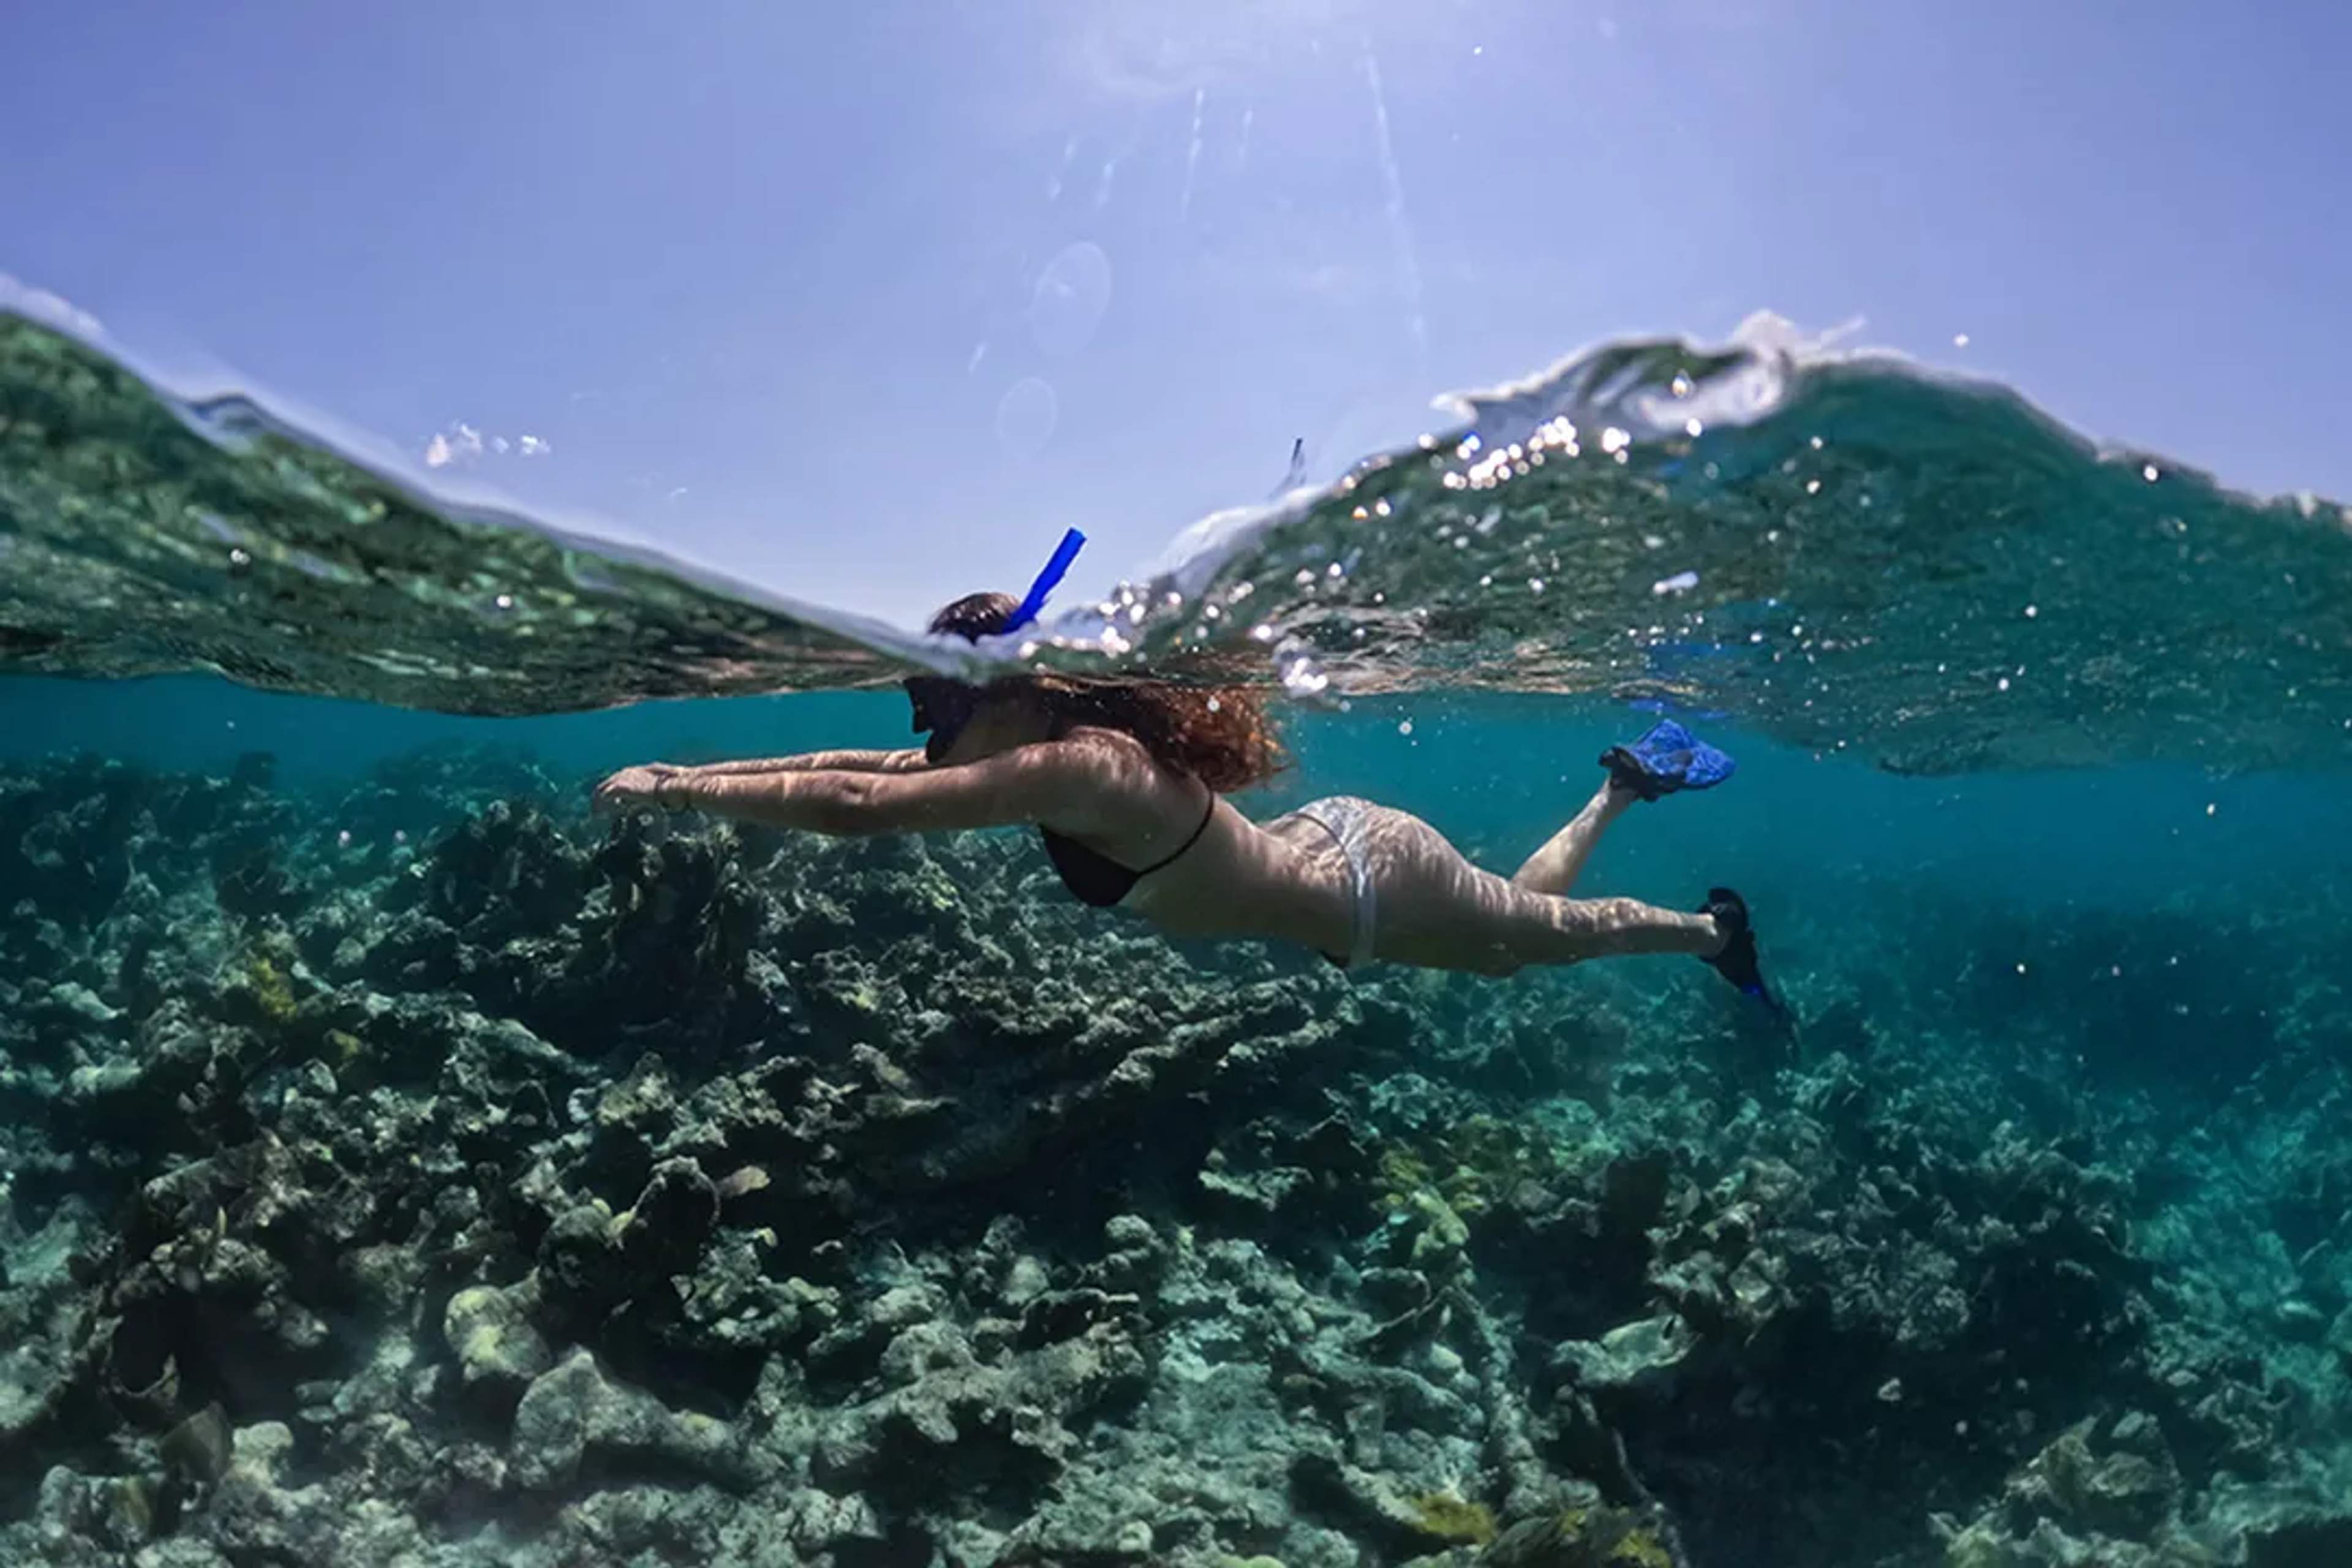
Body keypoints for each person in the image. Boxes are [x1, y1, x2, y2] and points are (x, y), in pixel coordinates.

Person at [592, 537, 1773, 998]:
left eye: (939, 691)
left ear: (1022, 689)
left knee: (1535, 944)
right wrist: (693, 767)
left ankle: (1715, 933)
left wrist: (684, 790)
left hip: (1372, 888)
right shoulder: (1055, 754)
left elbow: (858, 805)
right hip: (1346, 855)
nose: (918, 711)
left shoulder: (1084, 767)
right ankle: (1621, 785)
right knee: (1521, 923)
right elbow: (861, 766)